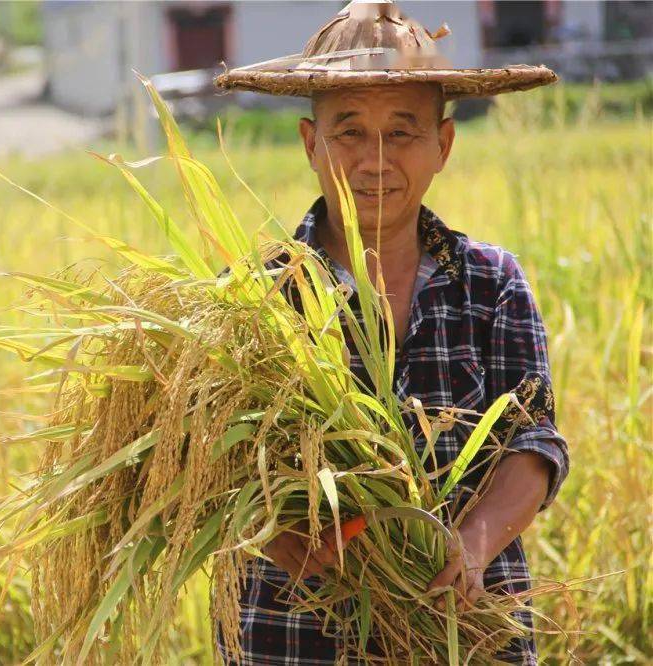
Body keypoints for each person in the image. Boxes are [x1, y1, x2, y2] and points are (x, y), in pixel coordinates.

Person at [213, 1, 569, 663]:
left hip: (467, 633)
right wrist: (263, 529)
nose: (375, 160)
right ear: (310, 143)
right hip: (292, 634)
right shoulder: (252, 297)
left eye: (402, 131)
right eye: (349, 131)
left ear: (444, 145)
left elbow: (536, 439)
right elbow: (202, 458)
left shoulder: (491, 284)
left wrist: (470, 546)